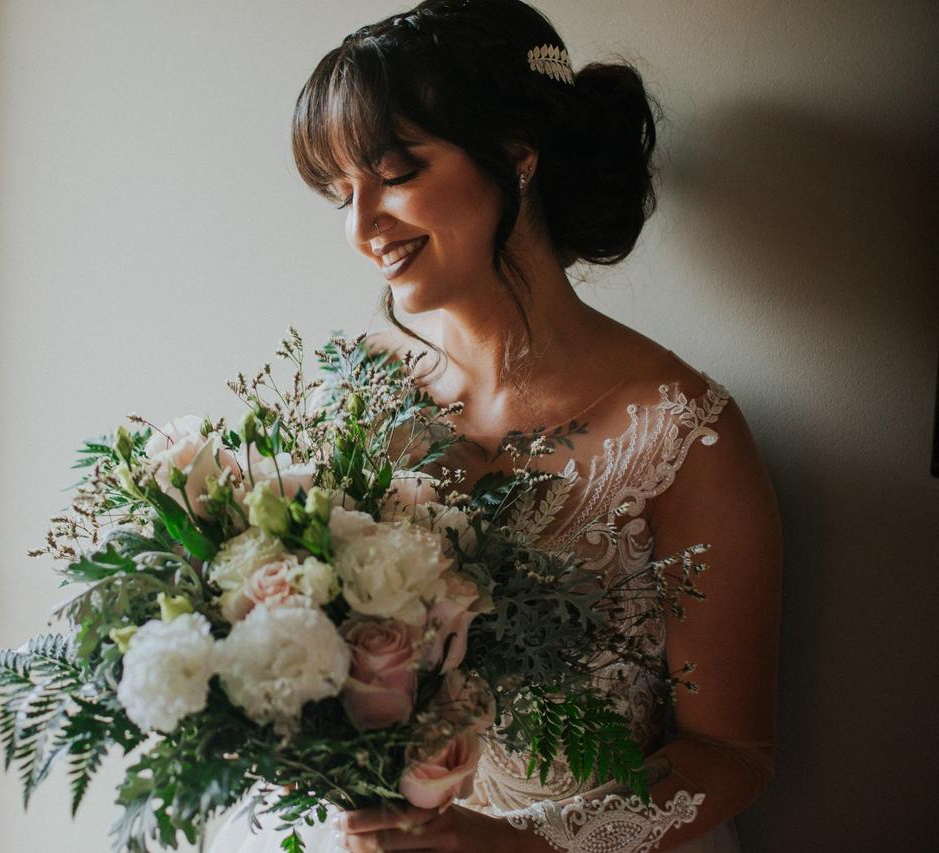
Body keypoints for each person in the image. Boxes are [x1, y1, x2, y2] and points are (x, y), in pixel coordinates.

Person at [207, 1, 781, 850]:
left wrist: (533, 846)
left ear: (515, 159)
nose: (360, 228)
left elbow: (729, 750)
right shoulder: (350, 394)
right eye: (339, 192)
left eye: (395, 172)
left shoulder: (681, 434)